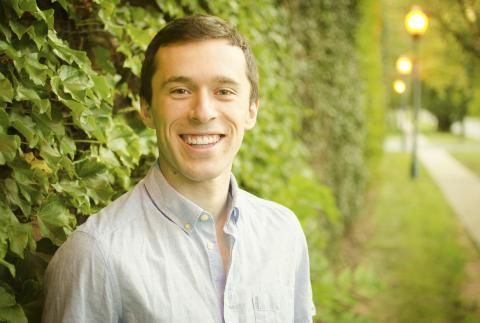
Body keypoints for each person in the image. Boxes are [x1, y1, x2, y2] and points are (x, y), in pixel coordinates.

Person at [42, 14, 315, 323]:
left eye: (224, 91)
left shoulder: (283, 233)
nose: (203, 113)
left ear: (251, 109)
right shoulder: (95, 255)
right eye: (180, 91)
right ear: (146, 108)